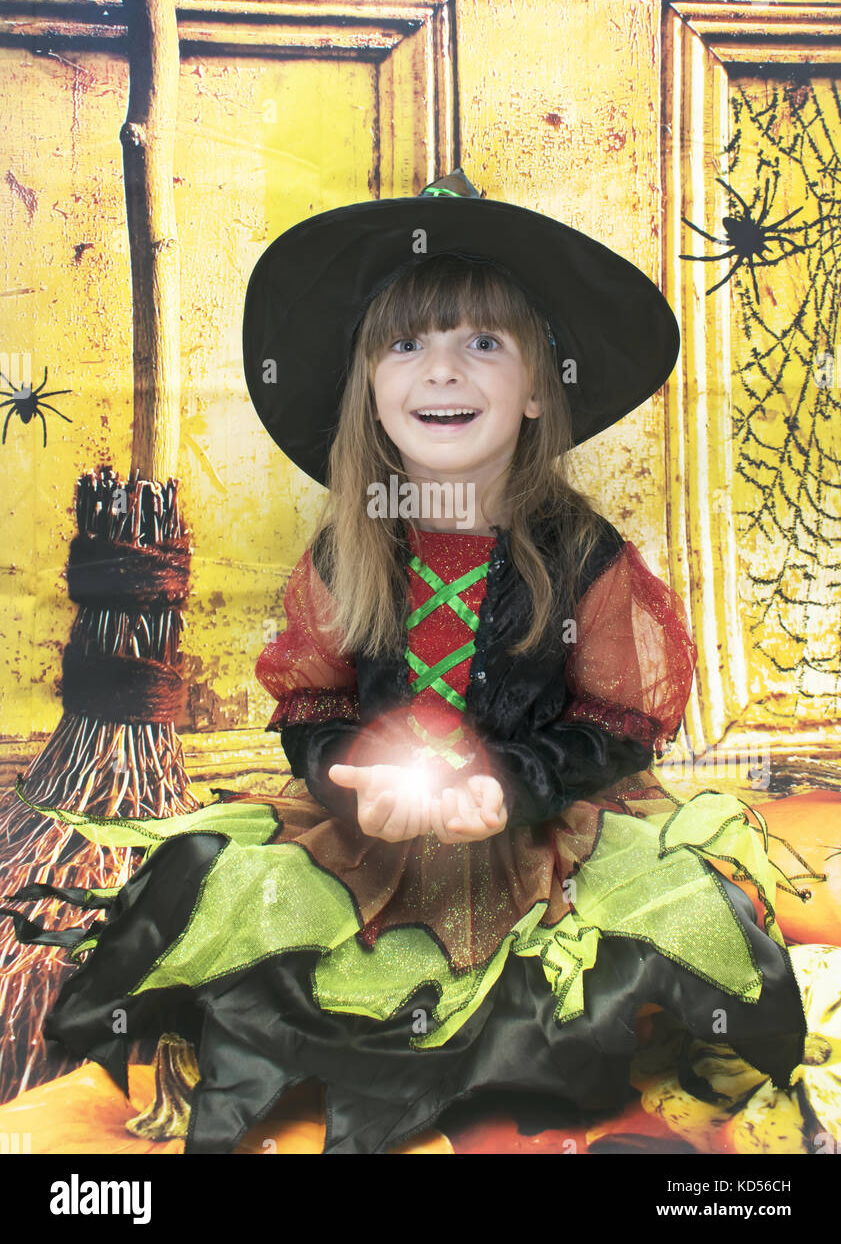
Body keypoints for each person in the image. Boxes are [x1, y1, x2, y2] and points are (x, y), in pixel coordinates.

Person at [1, 169, 809, 1154]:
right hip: (374, 843)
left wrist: (509, 786)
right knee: (220, 907)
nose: (441, 371)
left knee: (676, 930)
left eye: (482, 342)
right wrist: (350, 778)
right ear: (368, 388)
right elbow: (312, 707)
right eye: (405, 343)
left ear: (532, 390)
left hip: (534, 841)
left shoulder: (579, 552)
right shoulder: (351, 552)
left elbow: (613, 721)